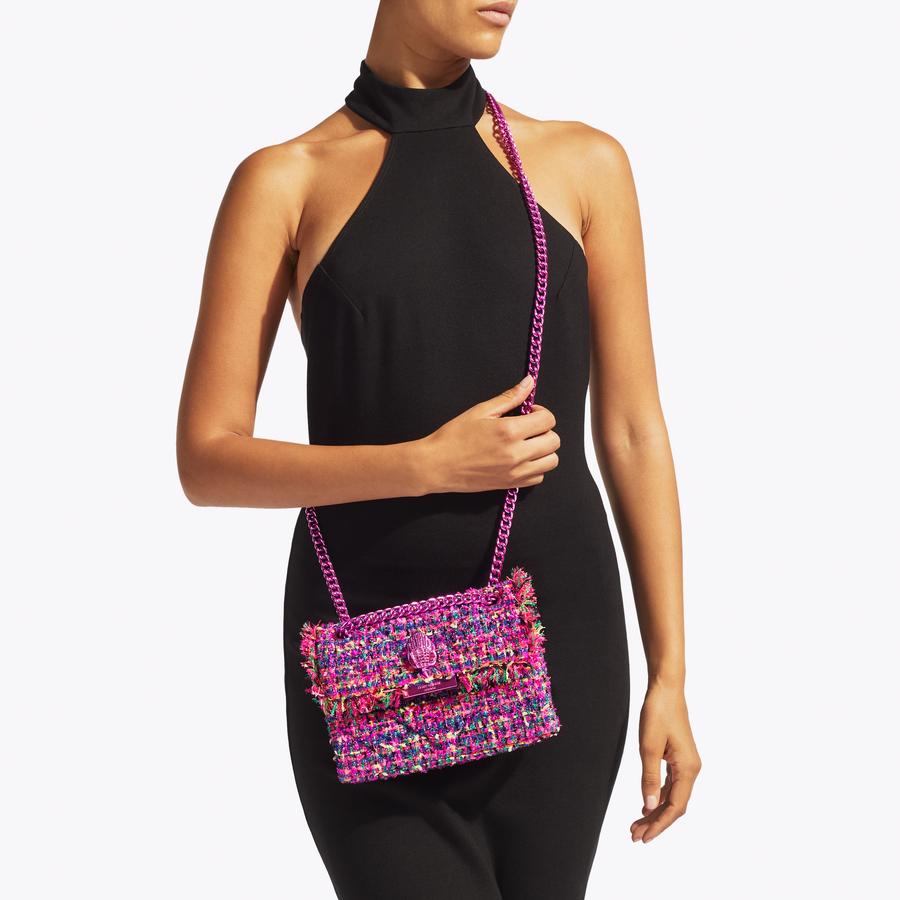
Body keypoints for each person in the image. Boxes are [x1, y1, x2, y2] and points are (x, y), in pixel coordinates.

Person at [176, 1, 701, 897]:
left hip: (561, 652)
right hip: (364, 658)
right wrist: (425, 464)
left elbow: (632, 431)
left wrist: (671, 674)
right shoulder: (284, 180)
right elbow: (207, 458)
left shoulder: (584, 164)